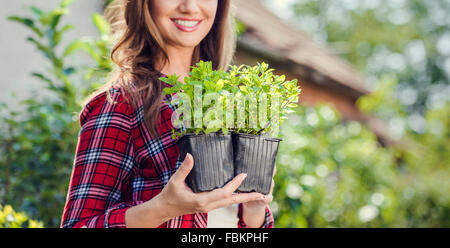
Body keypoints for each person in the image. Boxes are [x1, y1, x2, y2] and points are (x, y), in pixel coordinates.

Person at [60, 0, 275, 228]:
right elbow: (78, 225)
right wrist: (163, 208)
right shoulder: (120, 103)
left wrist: (254, 211)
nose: (190, 7)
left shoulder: (230, 100)